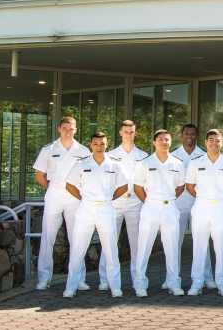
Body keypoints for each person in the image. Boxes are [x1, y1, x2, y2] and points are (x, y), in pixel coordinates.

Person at [62, 132, 127, 298]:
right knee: (78, 248)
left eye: (102, 144)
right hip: (86, 209)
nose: (99, 147)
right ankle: (71, 286)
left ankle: (115, 286)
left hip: (106, 208)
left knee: (111, 249)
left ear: (107, 144)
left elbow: (124, 186)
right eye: (96, 144)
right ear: (90, 145)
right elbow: (69, 185)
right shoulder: (81, 164)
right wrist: (82, 198)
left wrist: (110, 198)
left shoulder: (115, 164)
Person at [33, 116, 92, 291]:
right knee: (48, 236)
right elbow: (39, 176)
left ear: (76, 130)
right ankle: (44, 278)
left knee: (77, 237)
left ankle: (79, 278)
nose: (68, 131)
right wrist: (52, 190)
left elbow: (89, 176)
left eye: (71, 128)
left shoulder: (83, 151)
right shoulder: (48, 149)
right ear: (59, 129)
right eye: (65, 128)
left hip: (75, 194)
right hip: (55, 192)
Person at [184, 129, 223, 296]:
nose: (214, 143)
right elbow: (189, 185)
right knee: (199, 246)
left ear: (222, 143)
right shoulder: (195, 163)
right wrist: (202, 197)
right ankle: (197, 283)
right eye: (211, 140)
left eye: (218, 140)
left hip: (220, 207)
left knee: (222, 247)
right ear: (205, 142)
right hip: (201, 206)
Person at [132, 129, 187, 297]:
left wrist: (168, 199)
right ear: (154, 142)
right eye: (160, 139)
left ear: (171, 142)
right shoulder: (144, 163)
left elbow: (180, 187)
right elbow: (137, 187)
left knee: (172, 247)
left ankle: (173, 283)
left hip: (170, 207)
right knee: (144, 247)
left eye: (167, 139)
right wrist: (149, 201)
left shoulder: (177, 164)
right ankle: (140, 284)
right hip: (151, 206)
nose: (164, 142)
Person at [100, 120, 146, 291]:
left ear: (135, 133)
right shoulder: (110, 155)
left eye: (131, 131)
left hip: (135, 201)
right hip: (115, 201)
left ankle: (138, 279)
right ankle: (105, 279)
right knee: (109, 240)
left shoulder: (143, 156)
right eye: (125, 131)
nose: (128, 134)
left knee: (137, 243)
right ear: (120, 132)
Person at [171, 124, 207, 290]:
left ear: (197, 136)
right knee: (174, 241)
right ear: (181, 135)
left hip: (198, 201)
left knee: (202, 240)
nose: (189, 136)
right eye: (186, 134)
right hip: (179, 201)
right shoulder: (173, 156)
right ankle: (172, 278)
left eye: (193, 134)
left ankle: (207, 277)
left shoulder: (204, 156)